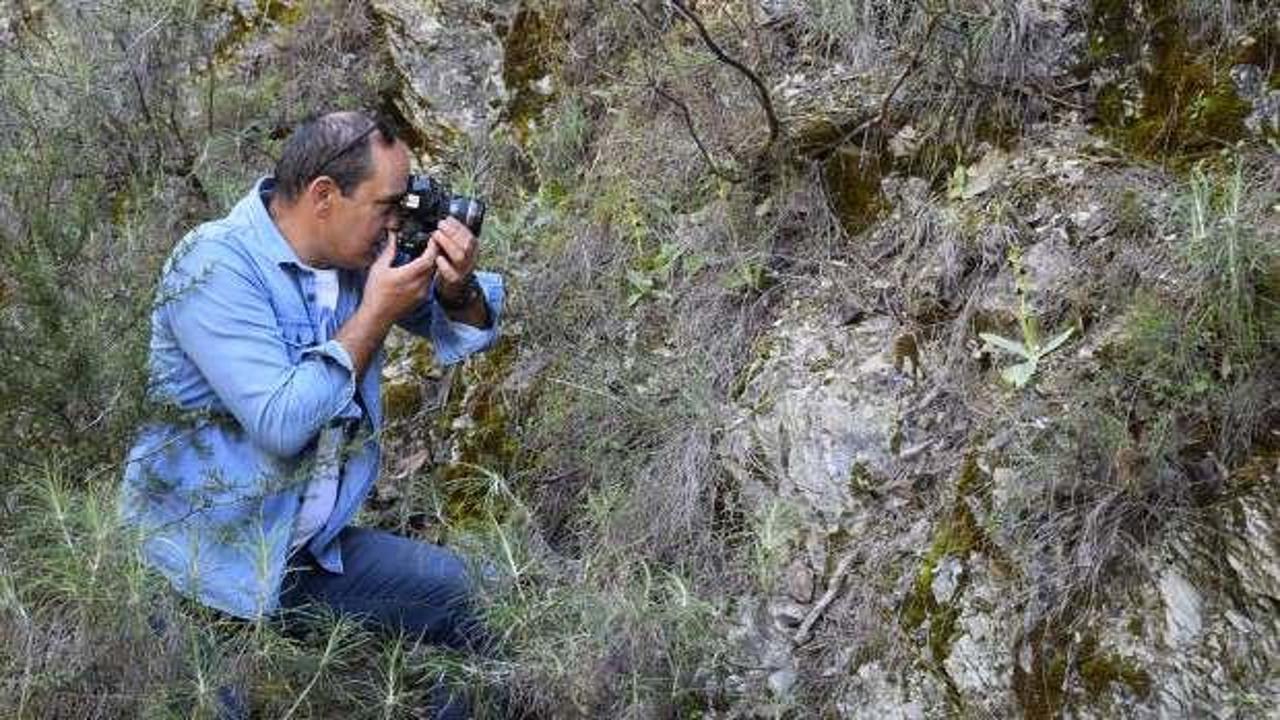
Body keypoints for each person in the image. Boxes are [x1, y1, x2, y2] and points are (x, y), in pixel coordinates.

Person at [119, 111, 503, 712]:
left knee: (481, 599)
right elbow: (280, 422)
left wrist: (458, 288)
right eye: (387, 205)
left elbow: (464, 331)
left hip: (301, 557)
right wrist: (375, 313)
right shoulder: (215, 264)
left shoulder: (353, 257)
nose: (397, 222)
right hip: (198, 573)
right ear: (325, 195)